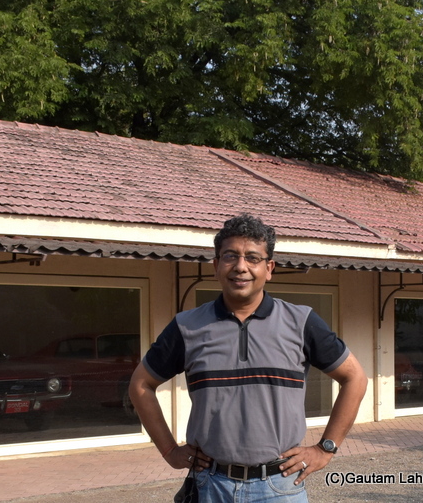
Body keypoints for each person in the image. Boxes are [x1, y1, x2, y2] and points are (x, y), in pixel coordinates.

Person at [129, 214, 367, 502]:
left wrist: (325, 448)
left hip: (280, 487)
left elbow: (355, 378)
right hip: (210, 485)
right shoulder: (187, 327)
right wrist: (169, 450)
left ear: (269, 269)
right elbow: (140, 384)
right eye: (230, 256)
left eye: (252, 258)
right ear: (216, 265)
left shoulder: (301, 322)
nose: (240, 267)